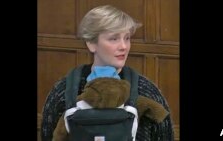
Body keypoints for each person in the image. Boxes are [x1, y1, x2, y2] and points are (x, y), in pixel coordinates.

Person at [41, 5, 174, 141]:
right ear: (91, 43)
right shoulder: (63, 91)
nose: (123, 46)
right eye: (114, 38)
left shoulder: (146, 91)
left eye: (127, 38)